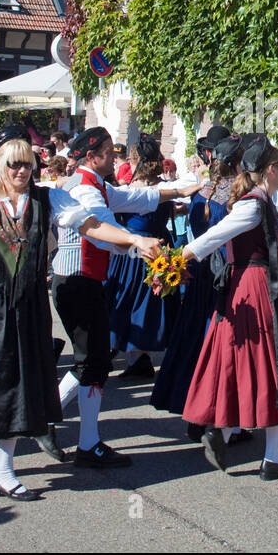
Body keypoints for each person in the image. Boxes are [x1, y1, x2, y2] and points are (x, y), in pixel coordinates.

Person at [0, 135, 161, 499]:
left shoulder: (49, 198)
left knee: (21, 385)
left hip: (30, 303)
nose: (22, 171)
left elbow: (91, 226)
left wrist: (134, 240)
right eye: (14, 164)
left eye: (28, 164)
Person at [181, 137, 278, 479]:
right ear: (270, 170)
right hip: (256, 290)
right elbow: (213, 238)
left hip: (253, 289)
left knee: (252, 364)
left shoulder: (263, 203)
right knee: (276, 365)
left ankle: (228, 435)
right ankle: (265, 456)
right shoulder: (252, 205)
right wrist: (174, 260)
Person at [54, 127, 200, 467]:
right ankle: (49, 419)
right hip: (77, 280)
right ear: (91, 157)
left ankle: (84, 441)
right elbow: (103, 231)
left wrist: (177, 190)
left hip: (85, 280)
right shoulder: (83, 190)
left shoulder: (96, 184)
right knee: (90, 361)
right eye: (107, 151)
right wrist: (138, 244)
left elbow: (134, 199)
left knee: (95, 361)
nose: (115, 155)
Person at [150, 129, 236, 435]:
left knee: (195, 339)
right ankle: (216, 415)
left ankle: (193, 409)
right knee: (220, 342)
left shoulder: (202, 190)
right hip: (223, 273)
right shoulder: (233, 195)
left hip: (200, 270)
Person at [105, 134, 178, 379]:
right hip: (160, 246)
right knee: (150, 300)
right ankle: (139, 355)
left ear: (136, 160)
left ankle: (136, 356)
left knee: (129, 299)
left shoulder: (130, 190)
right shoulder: (165, 188)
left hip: (134, 251)